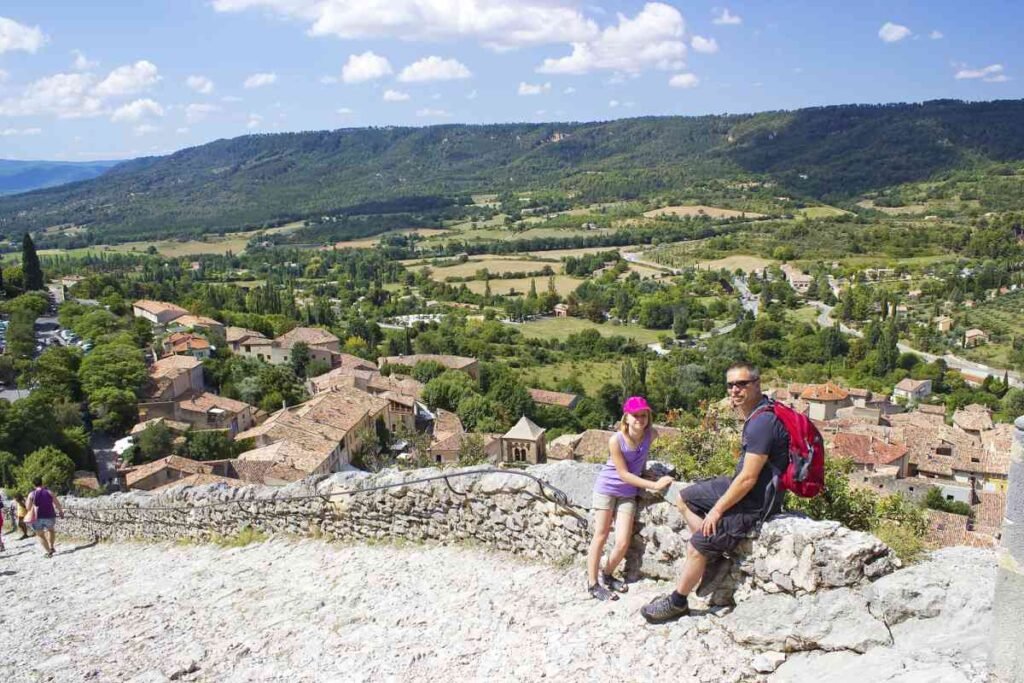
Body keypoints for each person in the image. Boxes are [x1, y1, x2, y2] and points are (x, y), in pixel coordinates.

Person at [641, 362, 789, 623]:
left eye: (742, 384)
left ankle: (678, 602)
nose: (735, 390)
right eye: (731, 385)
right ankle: (714, 551)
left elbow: (748, 478)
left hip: (755, 501)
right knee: (685, 498)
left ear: (757, 384)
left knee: (696, 547)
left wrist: (718, 510)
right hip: (741, 485)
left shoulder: (762, 423)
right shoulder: (758, 413)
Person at [587, 396, 673, 601]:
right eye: (635, 415)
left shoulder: (651, 434)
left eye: (643, 415)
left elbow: (640, 458)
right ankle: (593, 584)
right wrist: (655, 485)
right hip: (607, 488)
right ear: (626, 417)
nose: (640, 419)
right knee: (600, 534)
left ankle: (607, 574)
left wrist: (645, 472)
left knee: (623, 541)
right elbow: (624, 474)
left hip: (628, 493)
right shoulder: (615, 440)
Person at [26, 478, 63, 558]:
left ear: (33, 485)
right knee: (51, 530)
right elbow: (57, 503)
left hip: (37, 517)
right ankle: (51, 546)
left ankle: (49, 552)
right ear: (42, 483)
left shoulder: (32, 494)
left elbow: (28, 507)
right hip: (49, 515)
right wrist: (61, 512)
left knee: (40, 535)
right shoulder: (49, 492)